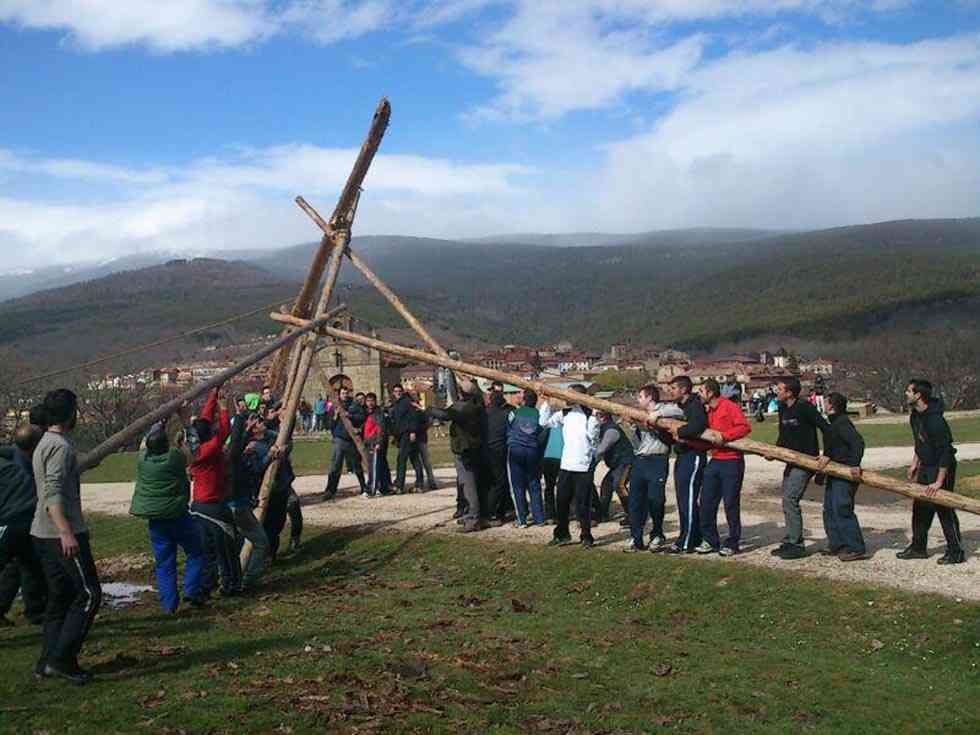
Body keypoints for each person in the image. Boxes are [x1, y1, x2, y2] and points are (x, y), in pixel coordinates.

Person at [31, 389, 102, 685]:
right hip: (61, 532)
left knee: (60, 598)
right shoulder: (59, 447)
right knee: (89, 595)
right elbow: (53, 492)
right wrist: (66, 533)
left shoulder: (45, 442)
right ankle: (63, 660)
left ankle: (47, 662)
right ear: (71, 413)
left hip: (41, 532)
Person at [129, 415, 205, 613]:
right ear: (166, 444)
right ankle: (191, 592)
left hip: (156, 521)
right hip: (178, 516)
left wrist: (158, 424)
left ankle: (169, 605)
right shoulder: (175, 458)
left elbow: (145, 443)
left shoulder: (142, 460)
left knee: (164, 563)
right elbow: (195, 449)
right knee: (196, 552)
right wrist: (187, 422)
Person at [896, 379, 964, 564]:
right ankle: (918, 547)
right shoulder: (915, 416)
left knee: (944, 508)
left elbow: (945, 452)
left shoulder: (935, 420)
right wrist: (914, 464)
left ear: (918, 395)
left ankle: (956, 551)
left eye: (909, 391)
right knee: (920, 508)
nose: (906, 394)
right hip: (926, 466)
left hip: (942, 468)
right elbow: (920, 442)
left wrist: (939, 481)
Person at [188, 389, 241, 597]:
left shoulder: (194, 447)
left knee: (207, 551)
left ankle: (204, 588)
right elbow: (225, 431)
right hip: (213, 506)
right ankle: (230, 584)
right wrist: (225, 409)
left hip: (198, 505)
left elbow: (203, 420)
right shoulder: (208, 450)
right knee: (227, 547)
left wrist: (213, 394)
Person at [771, 377, 831, 560]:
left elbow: (826, 428)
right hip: (790, 461)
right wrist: (774, 451)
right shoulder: (782, 408)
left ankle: (797, 545)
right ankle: (790, 539)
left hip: (806, 462)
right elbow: (783, 435)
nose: (777, 392)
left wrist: (826, 454)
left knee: (790, 499)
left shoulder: (805, 408)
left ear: (789, 392)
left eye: (780, 389)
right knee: (786, 500)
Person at [0, 422, 48, 627]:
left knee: (28, 566)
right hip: (18, 521)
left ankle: (36, 611)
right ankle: (36, 611)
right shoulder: (23, 462)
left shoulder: (15, 457)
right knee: (28, 566)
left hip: (18, 523)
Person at [540, 386, 600, 548]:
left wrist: (594, 418)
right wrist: (546, 402)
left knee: (582, 504)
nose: (566, 396)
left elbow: (593, 439)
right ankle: (562, 534)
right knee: (562, 502)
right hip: (566, 464)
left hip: (583, 465)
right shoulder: (564, 414)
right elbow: (543, 422)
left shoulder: (590, 415)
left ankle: (586, 536)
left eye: (570, 393)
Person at [625, 385, 682, 553]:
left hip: (657, 460)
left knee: (656, 500)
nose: (638, 400)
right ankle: (636, 537)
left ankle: (657, 534)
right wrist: (632, 428)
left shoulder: (664, 408)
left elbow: (678, 411)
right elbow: (637, 445)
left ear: (650, 397)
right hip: (640, 461)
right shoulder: (638, 416)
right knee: (635, 501)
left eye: (640, 396)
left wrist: (656, 415)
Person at [696, 379, 751, 556]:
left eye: (701, 391)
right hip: (715, 460)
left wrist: (725, 436)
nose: (699, 394)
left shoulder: (729, 406)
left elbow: (744, 427)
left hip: (732, 461)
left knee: (730, 503)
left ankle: (732, 542)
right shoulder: (706, 411)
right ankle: (710, 540)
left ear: (711, 393)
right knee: (706, 502)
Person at [427, 374, 485, 533]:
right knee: (470, 483)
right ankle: (470, 514)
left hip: (464, 450)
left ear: (461, 393)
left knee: (468, 484)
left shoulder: (463, 408)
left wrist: (428, 409)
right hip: (475, 448)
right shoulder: (478, 403)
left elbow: (445, 415)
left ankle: (473, 518)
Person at [815, 393, 866, 562]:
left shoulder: (842, 423)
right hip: (833, 473)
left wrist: (855, 464)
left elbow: (858, 442)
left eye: (826, 403)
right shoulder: (833, 423)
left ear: (832, 406)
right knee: (829, 509)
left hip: (844, 474)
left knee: (842, 509)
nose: (824, 405)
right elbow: (832, 450)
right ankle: (837, 543)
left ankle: (856, 548)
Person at [230, 413, 275, 590]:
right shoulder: (241, 456)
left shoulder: (230, 455)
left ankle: (230, 579)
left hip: (232, 506)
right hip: (239, 506)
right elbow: (255, 470)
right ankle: (248, 580)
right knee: (261, 543)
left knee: (236, 542)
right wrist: (269, 456)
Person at [666, 376, 709, 554]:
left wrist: (679, 431)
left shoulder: (694, 405)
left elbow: (699, 425)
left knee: (688, 500)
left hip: (694, 456)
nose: (670, 391)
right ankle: (693, 535)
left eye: (674, 388)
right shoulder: (681, 408)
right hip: (682, 456)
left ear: (684, 390)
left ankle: (687, 541)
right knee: (683, 499)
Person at [507, 389, 545, 527]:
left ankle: (521, 519)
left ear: (523, 400)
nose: (517, 395)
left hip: (516, 449)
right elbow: (540, 430)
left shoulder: (514, 413)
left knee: (517, 485)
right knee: (534, 483)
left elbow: (509, 426)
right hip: (533, 450)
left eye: (520, 394)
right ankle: (539, 518)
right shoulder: (536, 413)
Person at [324, 386, 368, 498]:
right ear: (339, 394)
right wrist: (335, 416)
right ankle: (330, 490)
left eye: (346, 393)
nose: (345, 395)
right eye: (343, 393)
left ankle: (364, 487)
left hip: (351, 439)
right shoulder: (334, 406)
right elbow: (329, 424)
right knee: (335, 466)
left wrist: (350, 415)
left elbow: (362, 417)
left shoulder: (354, 405)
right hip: (339, 439)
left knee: (357, 464)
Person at [593, 409, 633, 525]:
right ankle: (603, 514)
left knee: (619, 485)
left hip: (625, 462)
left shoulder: (611, 430)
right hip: (616, 464)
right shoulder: (605, 428)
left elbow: (601, 450)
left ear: (603, 417)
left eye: (597, 416)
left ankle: (632, 514)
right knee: (606, 485)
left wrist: (591, 464)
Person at [483, 391, 514, 524]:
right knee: (499, 482)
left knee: (489, 482)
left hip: (484, 451)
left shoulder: (484, 414)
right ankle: (493, 514)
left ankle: (505, 508)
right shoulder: (506, 414)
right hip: (499, 451)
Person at [390, 384, 423, 494]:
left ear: (402, 392)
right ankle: (419, 484)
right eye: (396, 391)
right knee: (414, 459)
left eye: (399, 391)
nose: (398, 393)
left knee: (402, 459)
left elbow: (413, 417)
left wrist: (413, 431)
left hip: (408, 434)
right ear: (393, 393)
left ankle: (399, 485)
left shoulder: (407, 402)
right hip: (402, 435)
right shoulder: (397, 403)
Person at [363, 393, 391, 496]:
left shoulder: (378, 413)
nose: (370, 403)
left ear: (375, 401)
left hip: (375, 443)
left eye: (372, 401)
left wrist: (379, 442)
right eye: (368, 401)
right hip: (369, 442)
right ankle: (381, 487)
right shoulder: (367, 413)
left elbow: (381, 429)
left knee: (373, 467)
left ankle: (371, 489)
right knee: (376, 466)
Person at [413, 399, 440, 491]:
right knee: (417, 462)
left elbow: (428, 422)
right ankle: (419, 481)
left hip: (421, 439)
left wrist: (419, 428)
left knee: (426, 461)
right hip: (413, 439)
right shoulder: (410, 411)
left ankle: (431, 481)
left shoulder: (421, 412)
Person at [540, 423, 563, 523]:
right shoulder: (569, 427)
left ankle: (550, 515)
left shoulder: (549, 428)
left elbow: (540, 442)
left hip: (548, 459)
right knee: (563, 487)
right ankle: (562, 513)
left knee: (549, 487)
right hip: (563, 460)